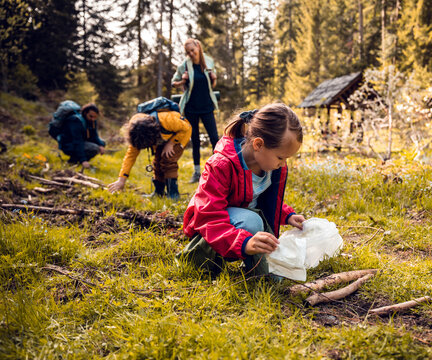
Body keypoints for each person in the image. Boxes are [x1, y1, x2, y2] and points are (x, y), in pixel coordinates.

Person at [182, 103, 306, 277]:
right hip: (212, 230)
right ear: (258, 144)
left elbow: (260, 197)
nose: (283, 164)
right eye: (280, 157)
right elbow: (208, 215)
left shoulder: (272, 167)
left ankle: (257, 269)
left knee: (279, 272)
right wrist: (244, 243)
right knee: (252, 221)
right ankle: (196, 256)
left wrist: (287, 215)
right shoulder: (221, 164)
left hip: (245, 224)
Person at [107, 110, 191, 200]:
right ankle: (159, 192)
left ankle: (173, 194)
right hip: (162, 138)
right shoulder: (135, 133)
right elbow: (130, 157)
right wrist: (121, 180)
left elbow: (186, 127)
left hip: (180, 135)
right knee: (157, 162)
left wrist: (171, 143)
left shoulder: (167, 120)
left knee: (167, 159)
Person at [171, 38, 220, 183]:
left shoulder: (209, 62)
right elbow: (174, 83)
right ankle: (197, 172)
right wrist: (182, 81)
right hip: (191, 107)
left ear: (198, 47)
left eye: (192, 50)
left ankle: (217, 170)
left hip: (207, 106)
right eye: (188, 52)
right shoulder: (185, 65)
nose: (191, 54)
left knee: (214, 139)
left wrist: (214, 78)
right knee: (196, 141)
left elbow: (213, 84)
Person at [58, 103, 105, 169]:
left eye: (95, 117)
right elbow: (77, 142)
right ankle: (74, 161)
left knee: (102, 143)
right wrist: (83, 160)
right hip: (68, 145)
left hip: (80, 142)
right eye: (91, 116)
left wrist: (101, 145)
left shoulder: (92, 121)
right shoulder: (76, 121)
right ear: (85, 113)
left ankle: (77, 161)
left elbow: (94, 136)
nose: (93, 119)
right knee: (94, 148)